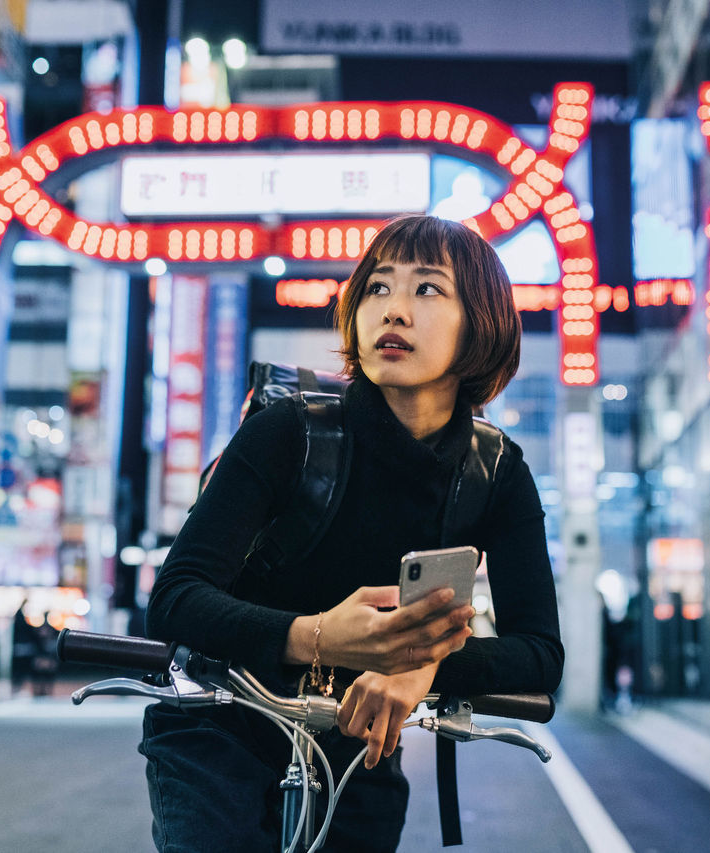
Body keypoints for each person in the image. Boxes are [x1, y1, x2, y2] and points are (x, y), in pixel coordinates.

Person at [140, 214, 563, 852]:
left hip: (356, 743)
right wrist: (315, 637)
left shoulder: (495, 469)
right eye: (376, 288)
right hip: (219, 721)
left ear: (482, 322)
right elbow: (175, 597)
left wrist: (423, 668)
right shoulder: (288, 431)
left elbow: (540, 652)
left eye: (427, 290)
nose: (392, 310)